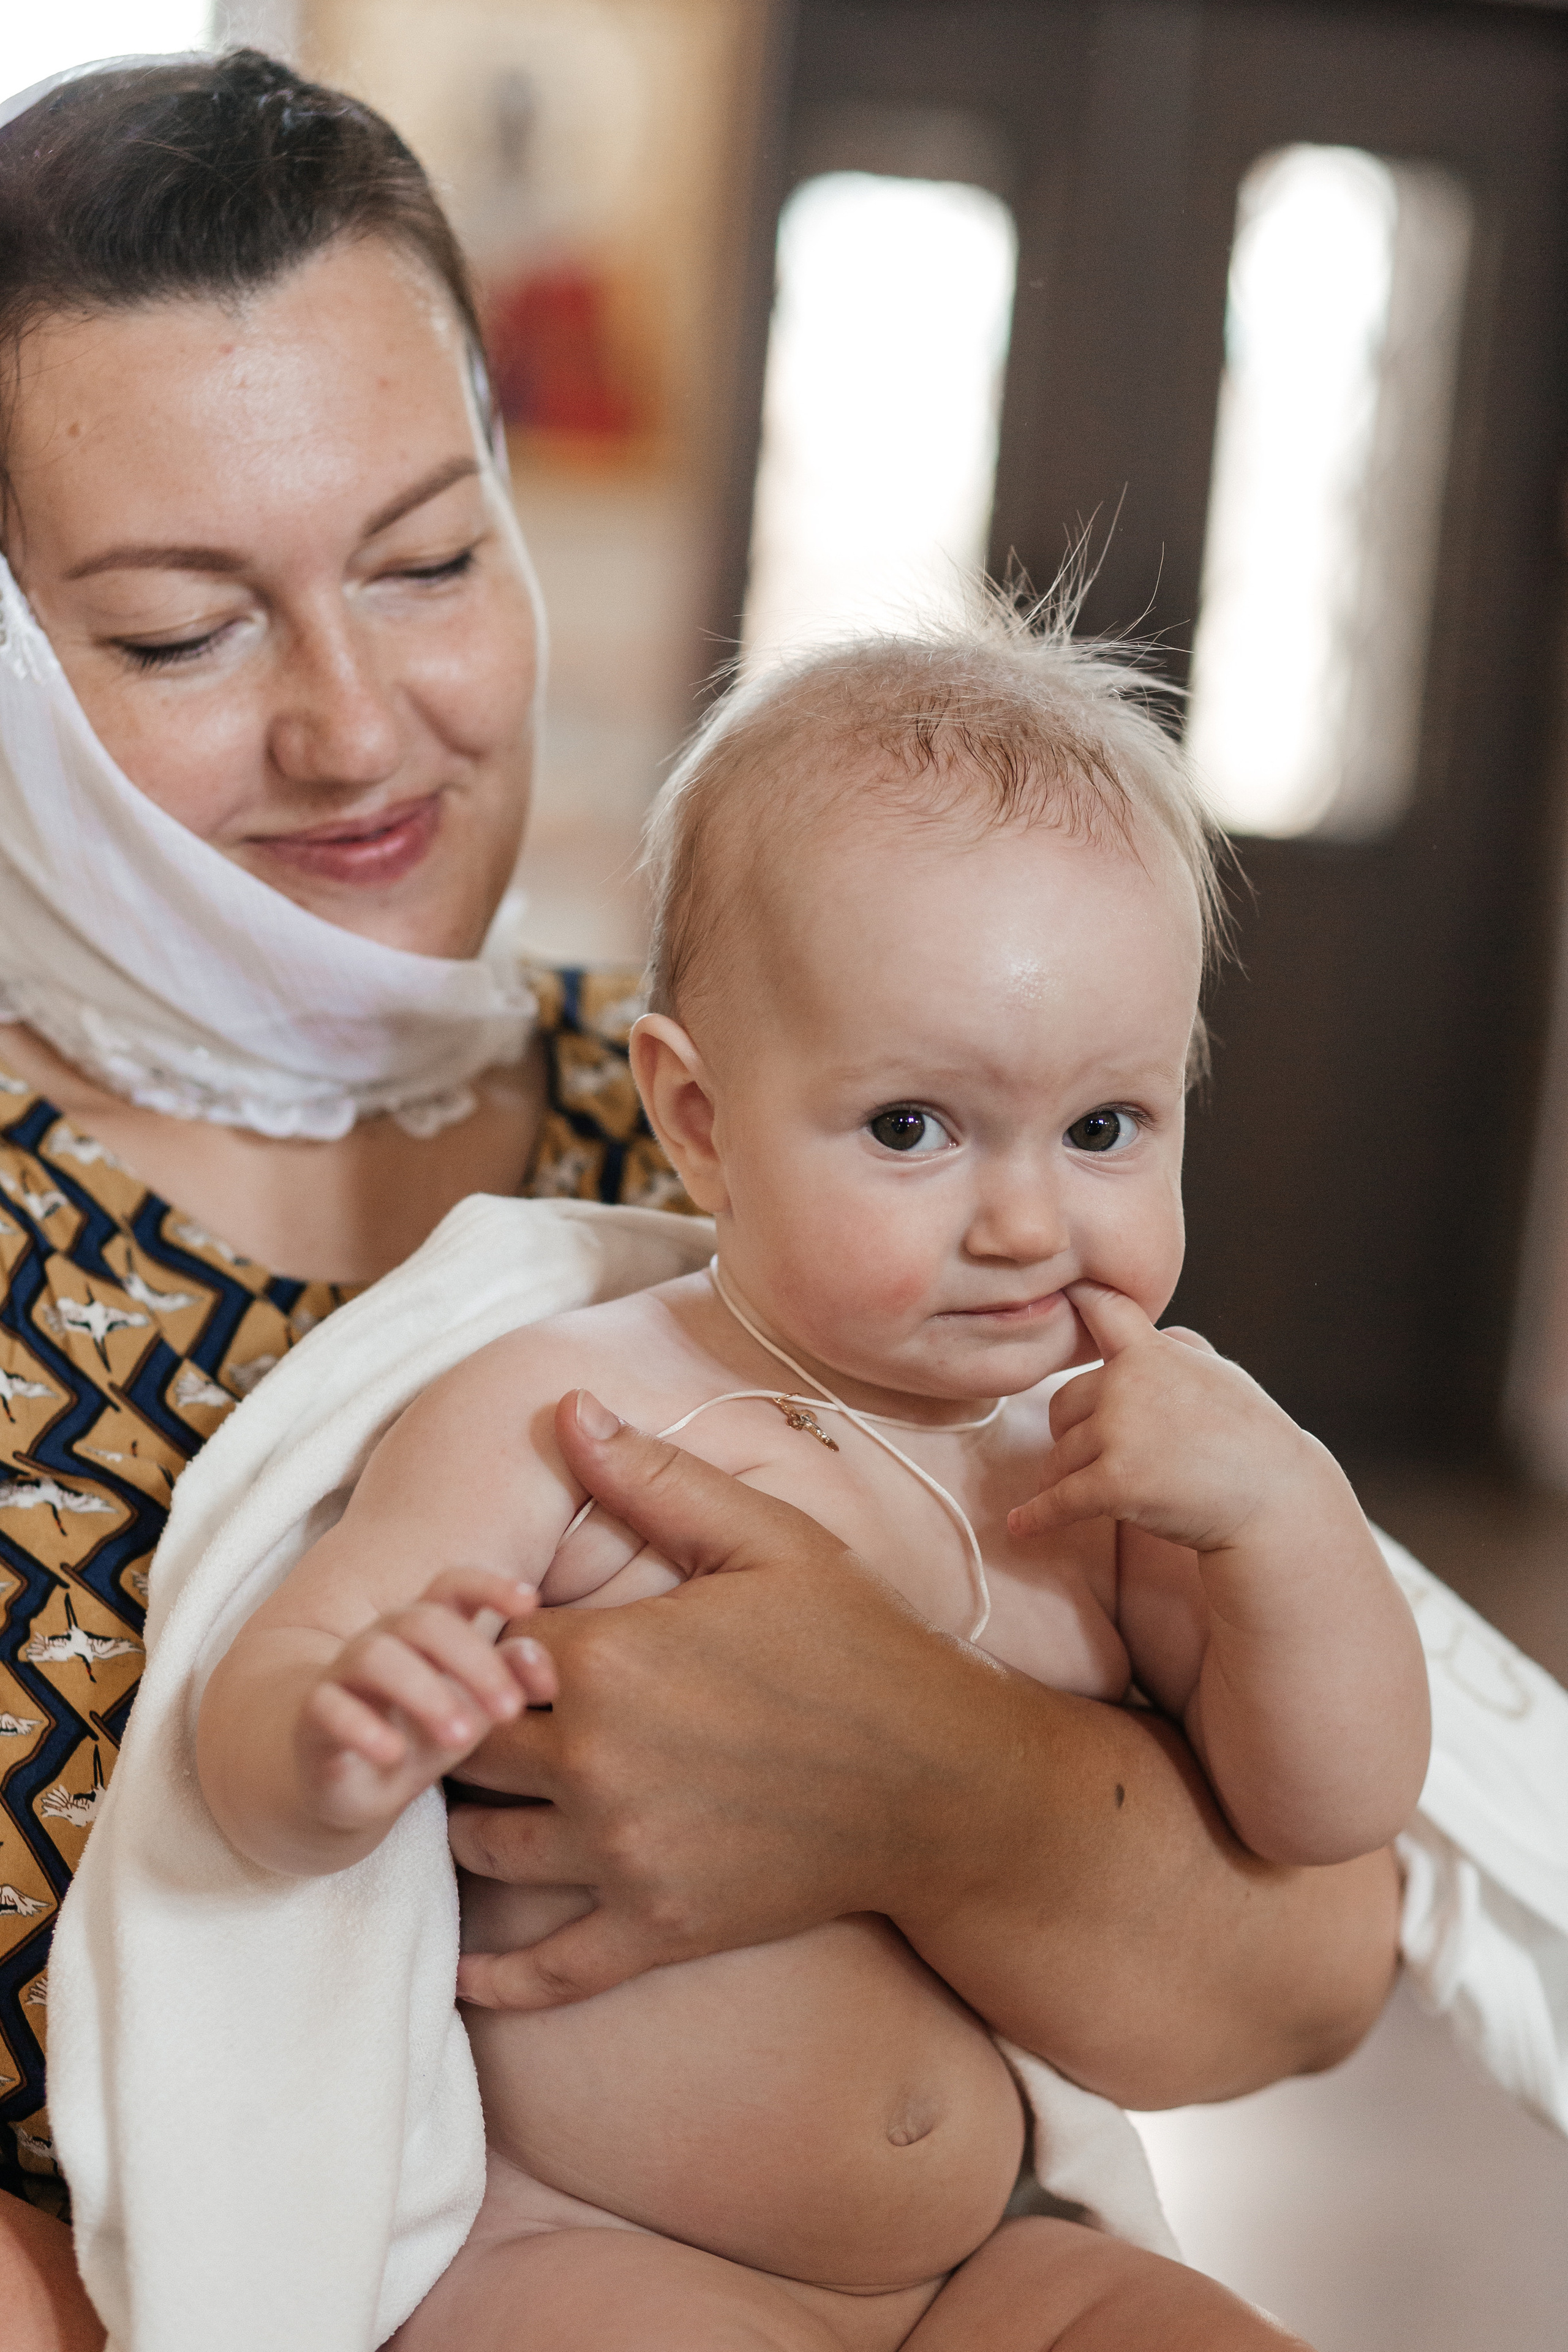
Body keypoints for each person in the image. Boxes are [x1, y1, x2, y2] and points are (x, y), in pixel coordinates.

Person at [0, 48, 1402, 2352]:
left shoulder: (825, 1079)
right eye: (180, 632)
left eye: (434, 558)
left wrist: (929, 1783)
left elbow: (1312, 1959)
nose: (359, 730)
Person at [195, 622, 1430, 2350]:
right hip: (597, 2259)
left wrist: (1288, 1517)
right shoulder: (577, 1409)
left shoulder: (1111, 1470)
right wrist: (339, 1736)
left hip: (992, 2260)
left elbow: (1327, 1809)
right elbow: (251, 1731)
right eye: (914, 1128)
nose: (1025, 1221)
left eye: (1106, 1129)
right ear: (698, 1119)